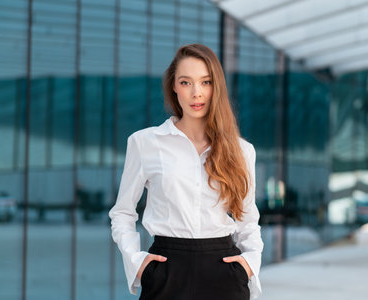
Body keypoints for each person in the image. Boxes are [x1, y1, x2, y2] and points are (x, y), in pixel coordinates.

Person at [108, 43, 263, 300]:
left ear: (216, 88)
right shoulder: (144, 143)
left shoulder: (242, 150)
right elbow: (122, 212)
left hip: (224, 271)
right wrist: (139, 263)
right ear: (174, 86)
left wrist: (248, 266)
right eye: (186, 82)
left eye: (205, 82)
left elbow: (248, 220)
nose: (196, 93)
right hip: (166, 270)